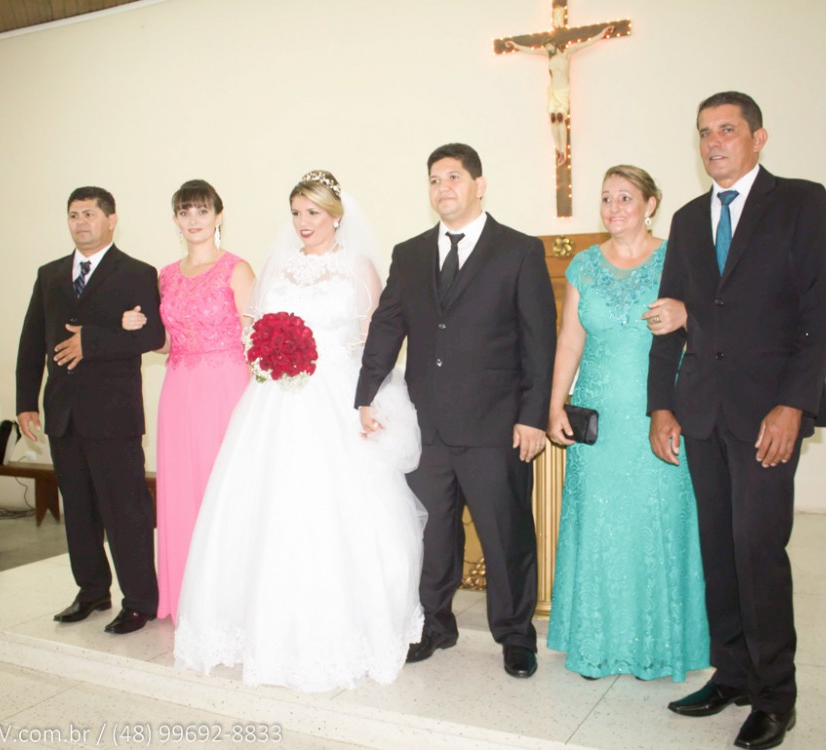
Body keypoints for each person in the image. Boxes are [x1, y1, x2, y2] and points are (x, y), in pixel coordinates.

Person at [173, 171, 425, 691]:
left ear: (335, 214)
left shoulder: (358, 267)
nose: (303, 222)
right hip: (276, 397)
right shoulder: (278, 266)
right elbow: (254, 329)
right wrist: (267, 352)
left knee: (338, 508)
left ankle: (345, 629)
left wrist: (371, 400)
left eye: (313, 212)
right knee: (267, 505)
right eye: (296, 213)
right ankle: (261, 627)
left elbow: (374, 342)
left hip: (336, 394)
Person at [648, 92, 826, 750]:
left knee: (758, 551)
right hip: (702, 411)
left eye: (727, 130)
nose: (714, 142)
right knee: (719, 552)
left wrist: (795, 403)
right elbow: (669, 317)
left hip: (768, 412)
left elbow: (820, 313)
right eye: (705, 132)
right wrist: (662, 404)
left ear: (758, 138)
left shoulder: (800, 202)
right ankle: (730, 673)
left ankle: (775, 696)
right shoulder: (687, 218)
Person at [356, 143, 557, 679]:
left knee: (505, 533)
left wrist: (532, 416)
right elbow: (387, 325)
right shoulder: (410, 253)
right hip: (426, 424)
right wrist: (366, 394)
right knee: (431, 533)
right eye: (434, 180)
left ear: (479, 185)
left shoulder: (518, 250)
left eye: (454, 178)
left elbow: (540, 340)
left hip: (495, 424)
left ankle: (515, 635)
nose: (443, 188)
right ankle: (433, 625)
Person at [546, 165, 709, 681]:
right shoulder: (583, 265)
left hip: (656, 411)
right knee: (598, 525)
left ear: (650, 204)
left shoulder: (676, 259)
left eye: (625, 197)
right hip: (599, 418)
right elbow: (569, 340)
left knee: (655, 522)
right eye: (606, 198)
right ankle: (596, 643)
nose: (613, 208)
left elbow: (710, 326)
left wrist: (687, 316)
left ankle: (658, 645)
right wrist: (554, 405)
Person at [16, 186, 165, 635]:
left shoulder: (136, 273)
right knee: (78, 511)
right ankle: (92, 591)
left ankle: (139, 600)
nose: (81, 222)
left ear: (111, 220)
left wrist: (92, 341)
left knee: (125, 511)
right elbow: (32, 341)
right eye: (74, 215)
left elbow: (151, 336)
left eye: (90, 214)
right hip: (63, 413)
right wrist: (25, 402)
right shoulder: (49, 275)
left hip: (114, 415)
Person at [121, 180, 254, 624]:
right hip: (179, 387)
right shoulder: (165, 276)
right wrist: (136, 326)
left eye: (201, 211)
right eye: (184, 212)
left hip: (226, 386)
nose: (193, 220)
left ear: (218, 215)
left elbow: (255, 338)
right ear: (175, 219)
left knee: (223, 486)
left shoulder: (237, 269)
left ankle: (229, 600)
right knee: (180, 489)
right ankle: (183, 595)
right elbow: (165, 343)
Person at [504, 27, 612, 165]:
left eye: (549, 46)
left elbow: (587, 42)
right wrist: (515, 45)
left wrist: (602, 33)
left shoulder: (567, 52)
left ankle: (563, 150)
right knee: (553, 119)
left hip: (562, 90)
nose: (548, 49)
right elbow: (530, 50)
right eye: (546, 47)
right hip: (553, 90)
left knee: (560, 118)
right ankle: (558, 149)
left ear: (553, 43)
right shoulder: (547, 54)